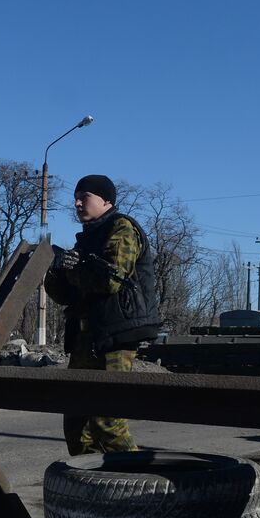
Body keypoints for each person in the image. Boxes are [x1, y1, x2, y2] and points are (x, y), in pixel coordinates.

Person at [45, 174, 162, 454]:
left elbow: (112, 279)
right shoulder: (87, 239)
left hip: (115, 338)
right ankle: (90, 491)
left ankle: (141, 487)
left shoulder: (121, 229)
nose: (76, 203)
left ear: (106, 200)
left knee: (107, 421)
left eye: (84, 196)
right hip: (88, 337)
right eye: (76, 196)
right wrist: (56, 270)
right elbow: (65, 295)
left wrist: (74, 270)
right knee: (77, 425)